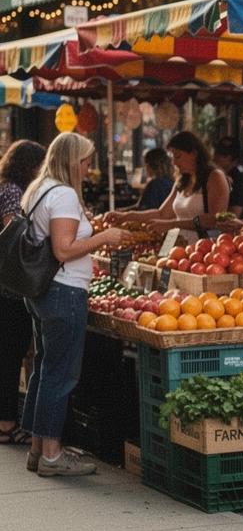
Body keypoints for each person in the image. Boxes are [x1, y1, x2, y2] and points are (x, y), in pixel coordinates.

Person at [21, 133, 132, 476]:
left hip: (42, 292)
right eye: (85, 161)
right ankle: (52, 454)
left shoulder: (39, 189)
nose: (88, 168)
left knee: (44, 369)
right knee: (60, 374)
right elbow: (63, 250)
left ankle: (39, 448)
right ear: (71, 161)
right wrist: (102, 238)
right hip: (63, 293)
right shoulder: (65, 195)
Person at [0, 140, 46, 446]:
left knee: (8, 351)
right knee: (10, 351)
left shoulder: (5, 187)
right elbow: (13, 230)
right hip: (9, 285)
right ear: (29, 166)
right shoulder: (13, 192)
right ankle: (6, 424)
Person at [107, 131, 229, 240]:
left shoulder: (215, 177)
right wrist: (126, 216)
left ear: (194, 153)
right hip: (179, 247)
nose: (174, 162)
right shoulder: (181, 181)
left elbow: (213, 219)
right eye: (172, 157)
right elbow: (162, 214)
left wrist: (172, 224)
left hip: (205, 251)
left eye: (178, 156)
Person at [212, 137, 243, 217]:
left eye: (223, 154)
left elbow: (234, 214)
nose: (216, 157)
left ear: (234, 159)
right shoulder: (218, 175)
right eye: (216, 152)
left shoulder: (239, 178)